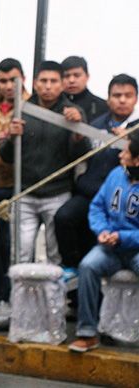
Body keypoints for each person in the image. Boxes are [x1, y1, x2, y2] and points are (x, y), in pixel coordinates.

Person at [0, 60, 91, 265]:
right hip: (24, 193)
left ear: (61, 84)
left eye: (53, 81)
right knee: (20, 255)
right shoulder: (21, 109)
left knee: (54, 255)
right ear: (34, 83)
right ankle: (19, 298)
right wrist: (12, 137)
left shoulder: (73, 112)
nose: (48, 86)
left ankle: (53, 298)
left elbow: (83, 156)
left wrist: (77, 130)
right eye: (43, 81)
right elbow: (6, 156)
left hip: (58, 194)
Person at [56, 74, 139, 270]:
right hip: (91, 192)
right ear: (108, 98)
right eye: (116, 95)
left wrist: (128, 143)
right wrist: (77, 137)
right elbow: (80, 156)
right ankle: (72, 268)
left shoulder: (137, 130)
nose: (122, 100)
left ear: (135, 98)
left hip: (123, 198)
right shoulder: (97, 124)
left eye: (128, 95)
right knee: (64, 217)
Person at [68, 131, 139, 353]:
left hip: (135, 248)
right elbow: (97, 207)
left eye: (126, 151)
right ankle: (87, 333)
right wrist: (102, 231)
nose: (120, 155)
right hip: (111, 247)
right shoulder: (116, 174)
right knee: (88, 266)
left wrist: (123, 237)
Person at [0, 58, 30, 331]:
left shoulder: (30, 107)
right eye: (2, 81)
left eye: (12, 80)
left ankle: (7, 298)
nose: (7, 86)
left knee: (12, 245)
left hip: (20, 187)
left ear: (22, 78)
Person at [62, 56, 108, 123]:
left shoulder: (102, 106)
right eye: (66, 76)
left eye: (77, 75)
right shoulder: (53, 104)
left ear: (87, 77)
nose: (71, 80)